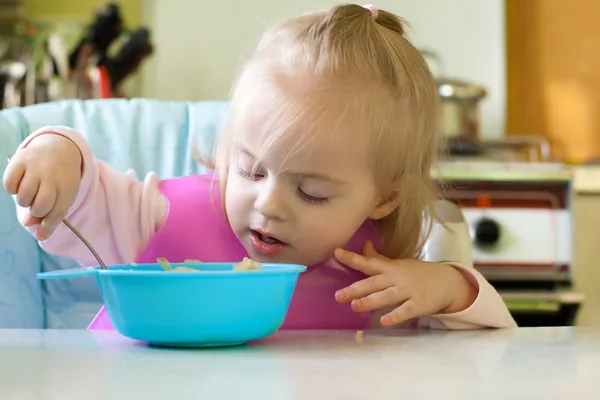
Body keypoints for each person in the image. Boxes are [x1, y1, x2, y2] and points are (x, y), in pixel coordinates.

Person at [2, 4, 516, 330]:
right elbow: (86, 191)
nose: (267, 204)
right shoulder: (157, 217)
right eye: (250, 169)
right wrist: (56, 153)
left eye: (312, 192)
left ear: (383, 197)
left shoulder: (381, 274)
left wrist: (446, 286)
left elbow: (499, 342)